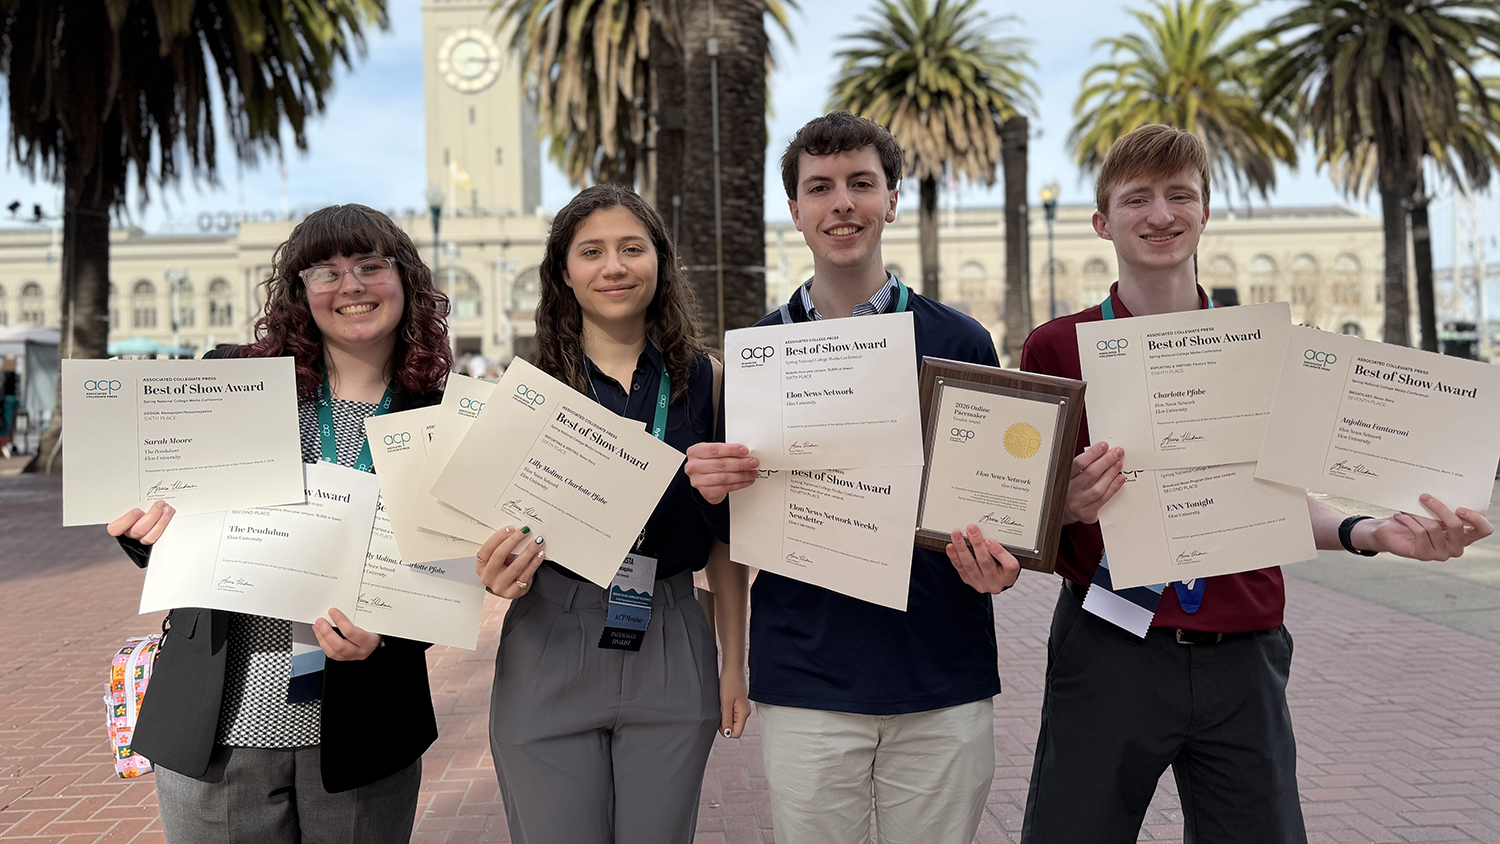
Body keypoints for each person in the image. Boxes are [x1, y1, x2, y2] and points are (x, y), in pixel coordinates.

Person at [1018, 124, 1495, 844]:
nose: (1161, 214)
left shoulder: (1270, 349)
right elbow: (1022, 512)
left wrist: (1370, 531)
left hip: (1243, 652)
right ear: (1102, 222)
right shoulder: (1056, 347)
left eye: (1180, 195)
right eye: (1137, 198)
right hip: (1110, 644)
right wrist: (1064, 505)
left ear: (1206, 212)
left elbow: (1280, 497)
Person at [684, 111, 1021, 844]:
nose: (842, 203)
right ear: (795, 210)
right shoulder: (758, 355)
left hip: (940, 677)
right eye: (820, 187)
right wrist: (710, 490)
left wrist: (1002, 561)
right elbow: (734, 529)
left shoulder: (960, 341)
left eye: (861, 184)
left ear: (891, 200)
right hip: (807, 682)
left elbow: (996, 505)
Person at [106, 204, 454, 843]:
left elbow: (445, 576)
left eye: (370, 266)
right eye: (325, 272)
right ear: (300, 292)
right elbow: (175, 528)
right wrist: (144, 531)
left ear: (405, 280)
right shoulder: (231, 380)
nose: (350, 286)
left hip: (363, 729)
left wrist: (390, 638)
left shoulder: (443, 417)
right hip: (218, 730)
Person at [474, 183, 750, 844]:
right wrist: (497, 570)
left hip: (672, 631)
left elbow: (727, 540)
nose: (614, 266)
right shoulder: (524, 391)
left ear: (660, 261)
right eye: (591, 251)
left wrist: (734, 663)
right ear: (564, 273)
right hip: (550, 634)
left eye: (632, 248)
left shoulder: (710, 383)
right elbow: (489, 527)